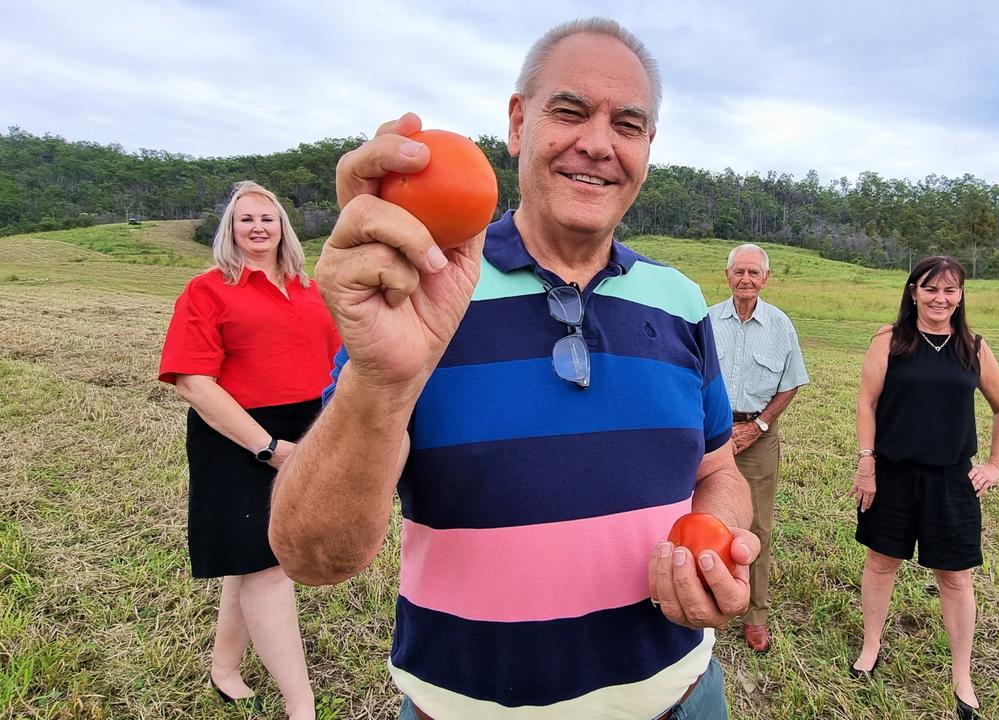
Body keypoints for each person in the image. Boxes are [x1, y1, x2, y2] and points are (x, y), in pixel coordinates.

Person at [268, 17, 759, 720]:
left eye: (628, 124)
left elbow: (718, 472)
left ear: (648, 147)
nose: (597, 142)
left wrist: (712, 551)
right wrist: (380, 383)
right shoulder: (423, 289)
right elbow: (312, 559)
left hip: (685, 699)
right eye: (569, 111)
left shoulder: (680, 301)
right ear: (518, 123)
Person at [158, 181, 337, 719]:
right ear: (229, 231)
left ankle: (224, 667)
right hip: (237, 436)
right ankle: (300, 705)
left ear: (283, 225)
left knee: (252, 561)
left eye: (268, 217)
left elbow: (337, 366)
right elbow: (193, 381)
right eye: (245, 219)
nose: (258, 227)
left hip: (307, 428)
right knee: (269, 567)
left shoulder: (311, 287)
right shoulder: (207, 290)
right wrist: (266, 448)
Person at [847, 255, 999, 719]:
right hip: (894, 474)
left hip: (951, 480)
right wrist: (867, 464)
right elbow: (867, 403)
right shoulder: (890, 340)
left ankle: (962, 674)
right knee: (881, 563)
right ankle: (871, 645)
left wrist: (996, 465)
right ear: (913, 291)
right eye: (930, 289)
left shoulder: (974, 348)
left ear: (961, 295)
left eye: (950, 290)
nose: (940, 298)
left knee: (956, 577)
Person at [708, 243, 808, 653]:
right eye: (739, 272)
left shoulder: (781, 325)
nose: (745, 279)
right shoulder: (707, 320)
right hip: (710, 433)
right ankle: (707, 607)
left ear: (765, 279)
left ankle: (755, 616)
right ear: (728, 276)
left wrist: (758, 426)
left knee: (757, 526)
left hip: (758, 435)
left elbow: (791, 383)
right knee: (705, 518)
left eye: (754, 273)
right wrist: (712, 429)